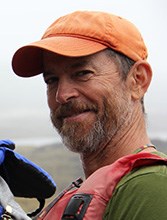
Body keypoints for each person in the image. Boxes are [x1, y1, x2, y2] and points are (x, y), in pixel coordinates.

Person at [12, 10, 167, 220]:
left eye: (83, 73)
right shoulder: (93, 195)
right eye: (51, 80)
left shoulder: (152, 187)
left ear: (137, 80)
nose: (62, 95)